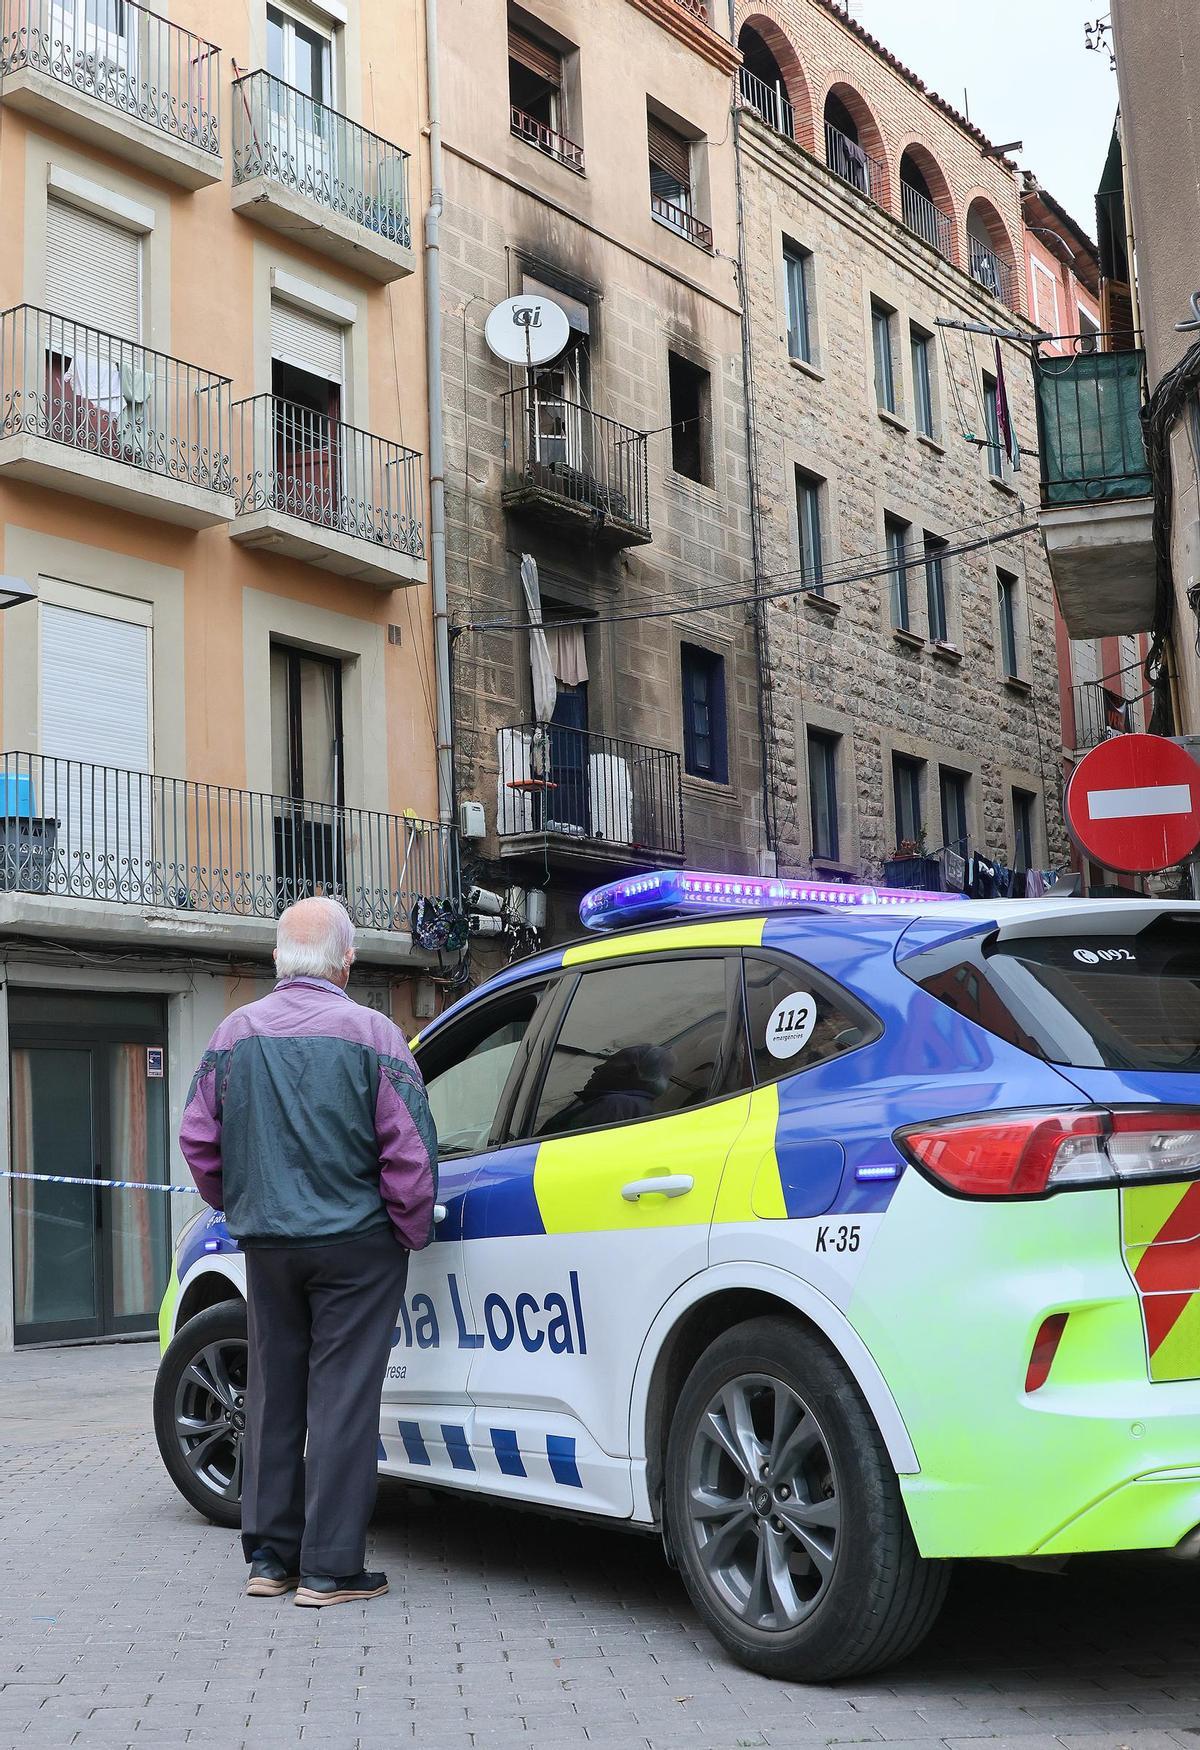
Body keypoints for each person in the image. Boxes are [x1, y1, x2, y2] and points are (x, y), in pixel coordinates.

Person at [179, 896, 437, 1609]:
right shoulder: (376, 1035)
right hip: (356, 1246)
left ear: (276, 963)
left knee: (273, 1395)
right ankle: (329, 1570)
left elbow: (199, 1140)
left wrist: (241, 1202)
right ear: (346, 964)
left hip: (267, 1245)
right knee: (342, 1401)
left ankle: (268, 1559)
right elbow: (409, 1153)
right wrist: (408, 1230)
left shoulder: (235, 1034)